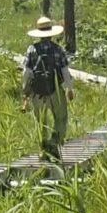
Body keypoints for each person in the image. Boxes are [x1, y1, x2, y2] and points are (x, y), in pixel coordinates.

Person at [20, 16, 71, 157]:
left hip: (37, 92)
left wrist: (25, 90)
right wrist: (69, 88)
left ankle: (43, 145)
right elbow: (64, 71)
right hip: (55, 90)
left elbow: (27, 72)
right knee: (61, 117)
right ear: (51, 33)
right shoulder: (57, 49)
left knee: (41, 119)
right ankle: (55, 143)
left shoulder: (32, 50)